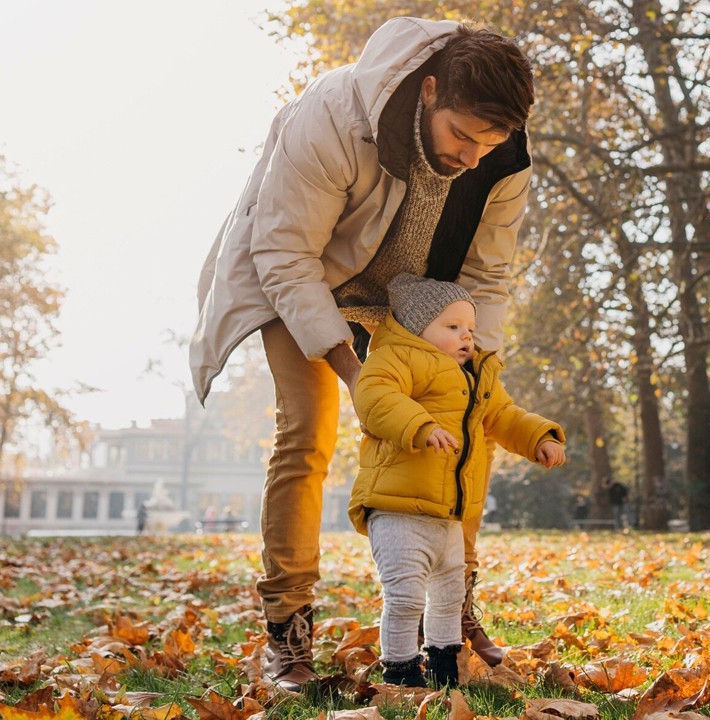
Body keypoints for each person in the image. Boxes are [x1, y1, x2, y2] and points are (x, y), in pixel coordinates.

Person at [188, 17, 536, 691]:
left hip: (413, 295)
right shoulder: (332, 115)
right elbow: (284, 254)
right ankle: (287, 630)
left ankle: (452, 610)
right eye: (460, 135)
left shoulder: (502, 159)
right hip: (304, 273)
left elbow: (487, 276)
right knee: (307, 432)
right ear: (429, 91)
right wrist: (354, 370)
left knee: (469, 430)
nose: (471, 155)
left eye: (487, 142)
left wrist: (476, 372)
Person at [348, 274, 566, 687]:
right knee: (406, 595)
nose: (466, 336)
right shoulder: (395, 358)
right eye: (452, 327)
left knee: (449, 595)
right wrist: (420, 425)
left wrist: (538, 435)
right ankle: (400, 674)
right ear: (417, 329)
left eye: (469, 328)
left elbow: (504, 416)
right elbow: (375, 397)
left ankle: (446, 669)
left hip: (449, 512)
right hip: (397, 509)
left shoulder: (477, 375)